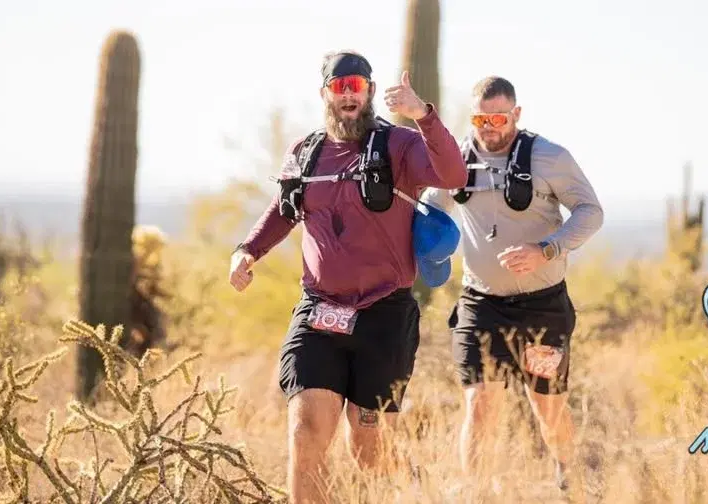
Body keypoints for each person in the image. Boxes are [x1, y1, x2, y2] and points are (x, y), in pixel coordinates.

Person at [229, 50, 466, 504]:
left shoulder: (399, 145)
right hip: (318, 312)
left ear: (370, 91)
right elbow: (283, 210)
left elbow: (452, 174)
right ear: (325, 94)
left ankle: (413, 489)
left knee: (369, 449)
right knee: (305, 431)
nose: (348, 95)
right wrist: (247, 251)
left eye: (356, 86)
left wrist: (424, 116)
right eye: (340, 87)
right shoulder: (305, 152)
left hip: (383, 315)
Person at [419, 76, 604, 492]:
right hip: (480, 305)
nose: (488, 127)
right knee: (480, 404)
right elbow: (431, 208)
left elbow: (590, 212)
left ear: (516, 114)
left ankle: (568, 474)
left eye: (498, 118)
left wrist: (547, 249)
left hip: (541, 308)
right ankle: (476, 495)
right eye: (479, 119)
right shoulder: (457, 159)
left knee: (547, 408)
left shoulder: (550, 157)